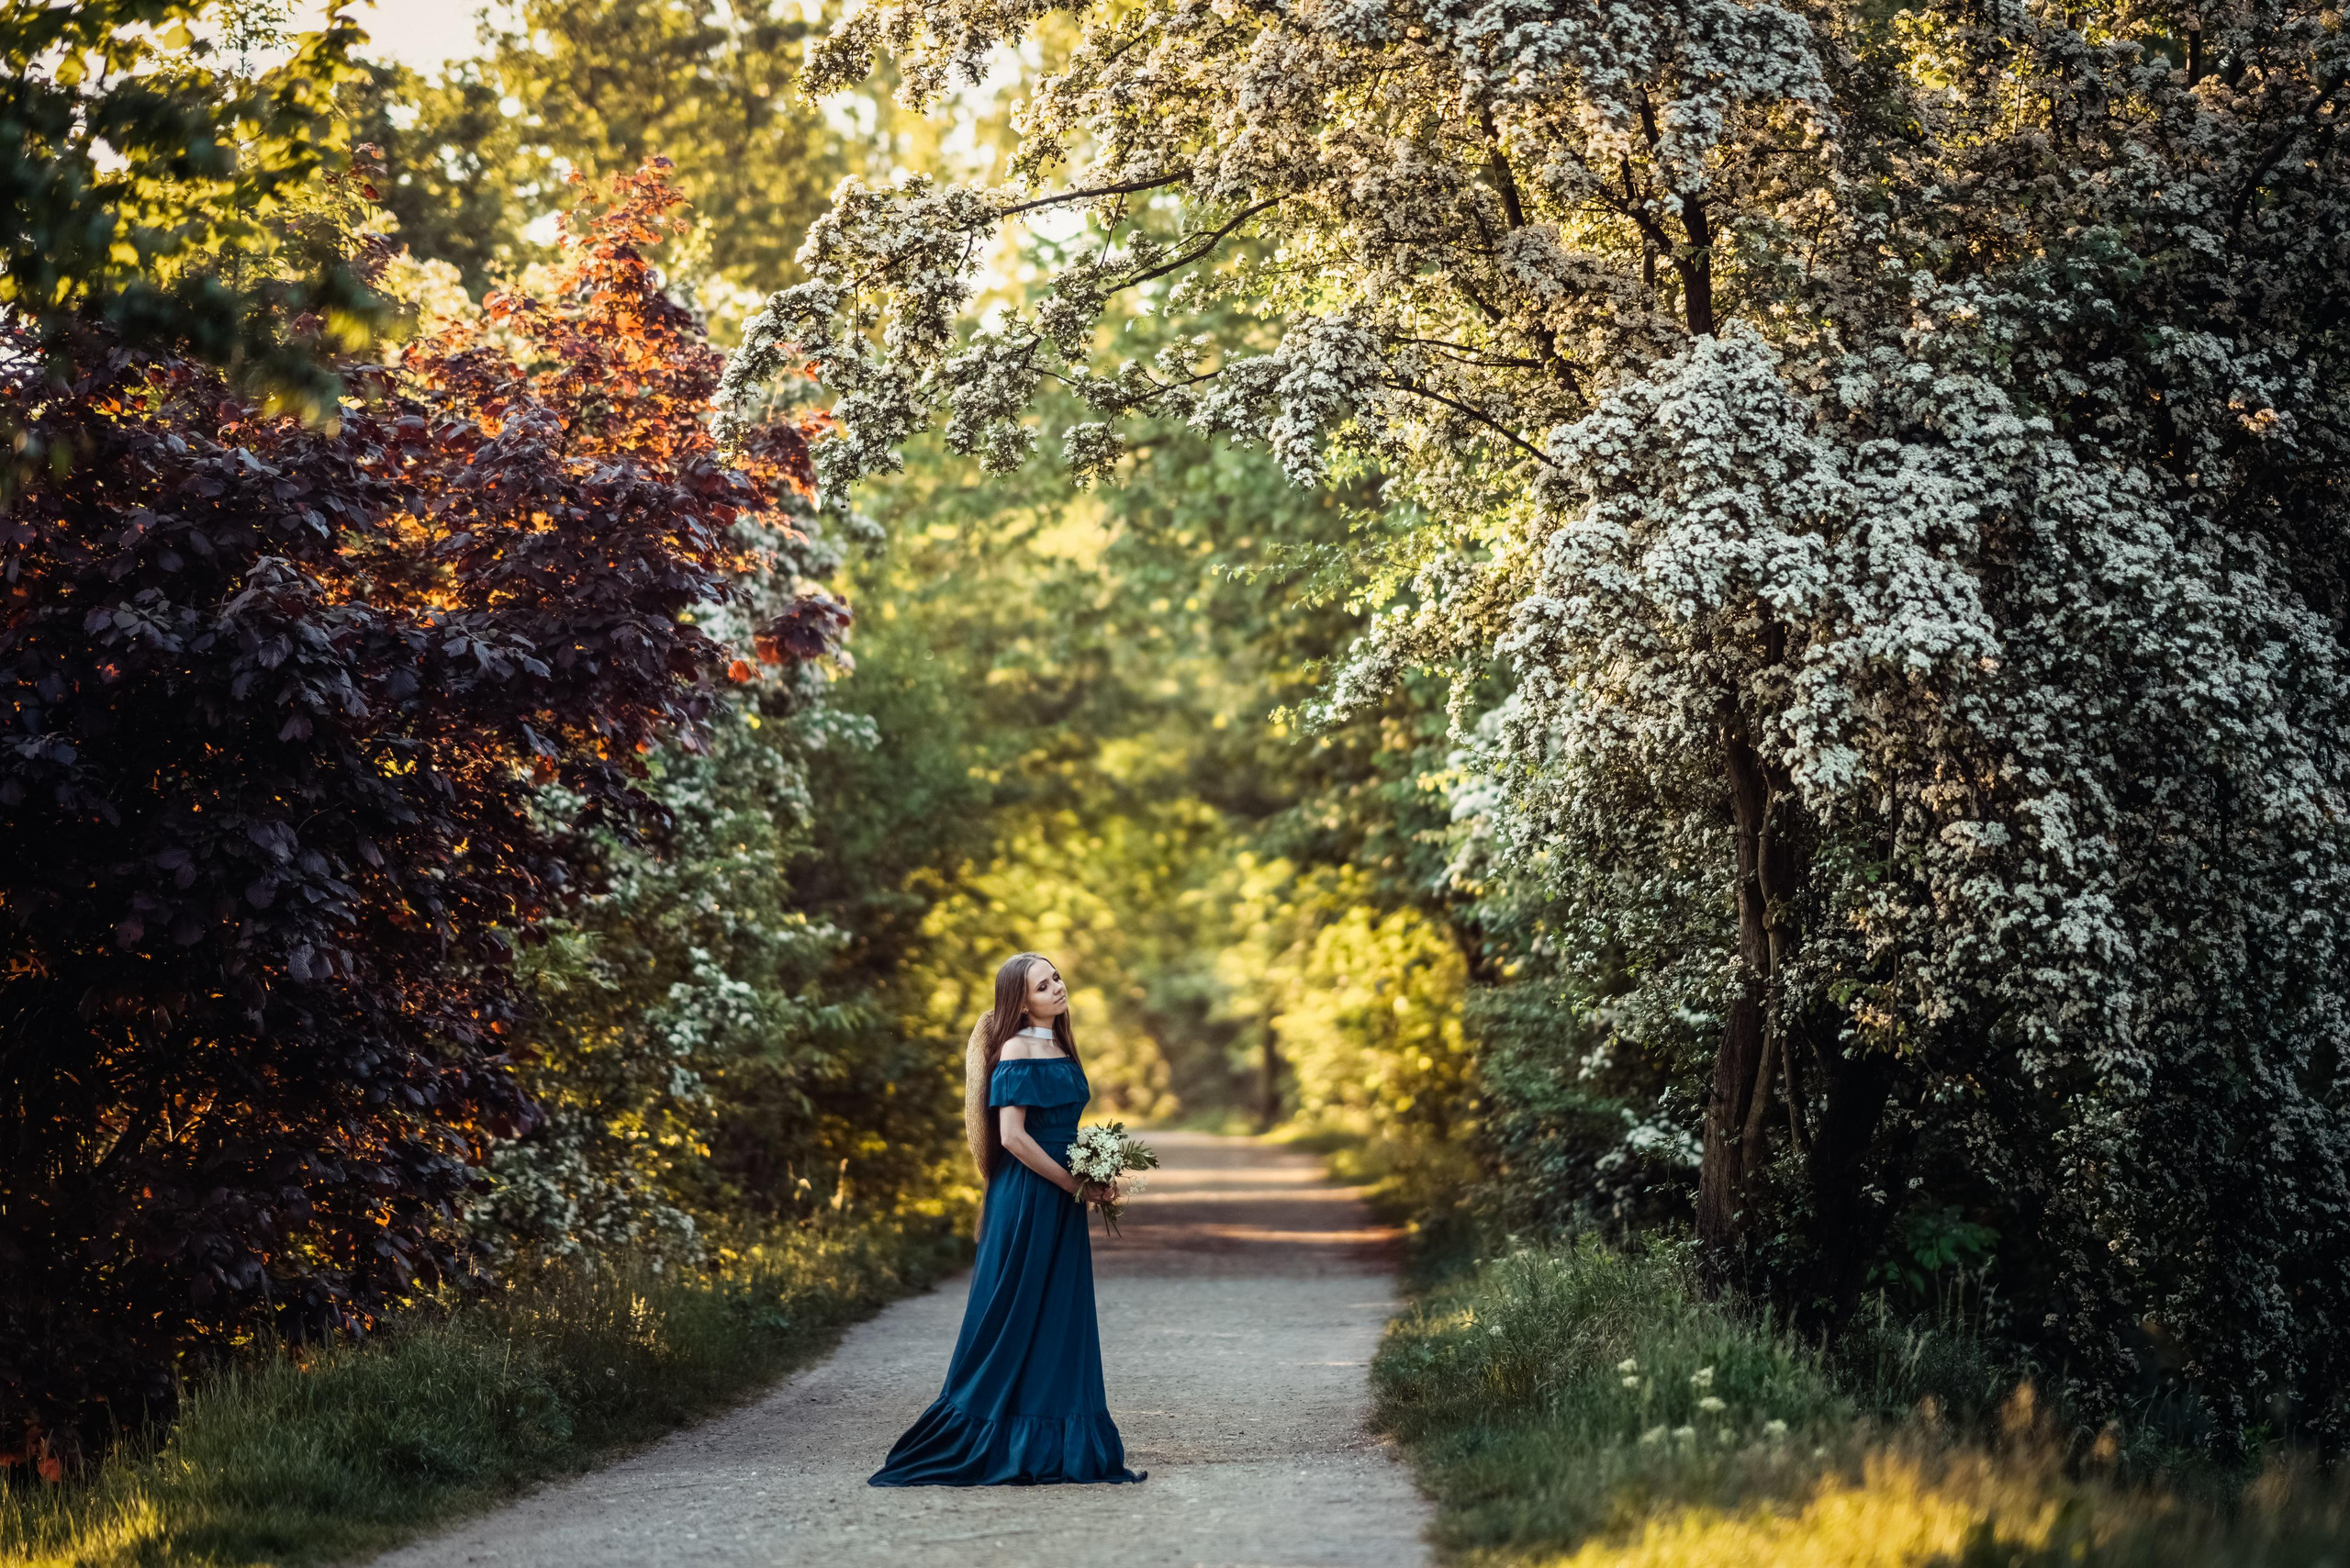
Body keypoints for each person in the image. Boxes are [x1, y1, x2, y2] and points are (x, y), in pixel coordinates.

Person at [867, 952, 1147, 1486]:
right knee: (1013, 1313)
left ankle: (1058, 1442)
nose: (1057, 988)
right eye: (1044, 985)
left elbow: (1063, 1126)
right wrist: (1075, 1184)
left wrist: (1097, 1169)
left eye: (1057, 977)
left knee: (1058, 1316)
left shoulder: (1063, 1045)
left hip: (1061, 1195)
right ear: (1021, 1001)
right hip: (1026, 1197)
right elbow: (1013, 1138)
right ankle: (986, 1437)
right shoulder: (1016, 1050)